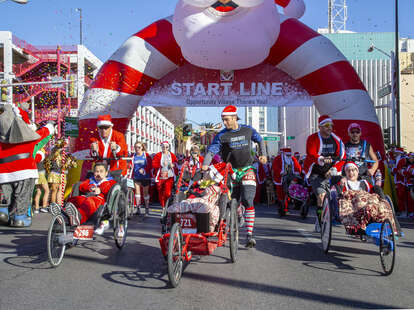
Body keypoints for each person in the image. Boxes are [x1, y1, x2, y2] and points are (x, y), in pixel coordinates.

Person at [201, 105, 267, 248]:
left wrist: (263, 154)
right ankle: (236, 213)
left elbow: (260, 139)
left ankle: (249, 235)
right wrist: (205, 165)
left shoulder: (248, 130)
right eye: (223, 120)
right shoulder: (222, 135)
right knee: (231, 201)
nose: (224, 123)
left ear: (235, 118)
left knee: (249, 199)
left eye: (226, 120)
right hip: (230, 171)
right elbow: (211, 151)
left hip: (247, 169)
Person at [0, 103, 55, 227]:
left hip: (3, 172)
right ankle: (19, 217)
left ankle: (3, 210)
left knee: (5, 192)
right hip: (24, 171)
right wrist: (50, 126)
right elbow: (43, 134)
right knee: (22, 195)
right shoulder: (28, 138)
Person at [303, 115, 346, 229]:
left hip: (332, 172)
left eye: (331, 125)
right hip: (316, 172)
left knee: (341, 192)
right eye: (326, 125)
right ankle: (319, 219)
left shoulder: (337, 139)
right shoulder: (312, 138)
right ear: (320, 126)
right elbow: (311, 153)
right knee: (321, 196)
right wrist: (321, 159)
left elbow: (342, 156)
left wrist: (333, 169)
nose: (329, 128)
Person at [336, 162, 400, 235]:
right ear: (345, 173)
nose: (351, 172)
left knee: (383, 205)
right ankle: (361, 226)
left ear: (357, 171)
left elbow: (373, 193)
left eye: (353, 170)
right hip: (356, 205)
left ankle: (389, 227)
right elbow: (342, 195)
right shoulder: (345, 183)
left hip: (369, 200)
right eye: (348, 170)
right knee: (365, 205)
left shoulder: (365, 182)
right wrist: (341, 183)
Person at [56, 162, 118, 235]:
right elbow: (82, 185)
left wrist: (100, 189)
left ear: (106, 173)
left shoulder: (110, 181)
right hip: (86, 197)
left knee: (89, 202)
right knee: (75, 199)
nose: (98, 174)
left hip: (98, 200)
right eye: (96, 171)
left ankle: (78, 218)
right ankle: (64, 214)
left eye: (101, 171)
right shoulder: (90, 180)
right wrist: (90, 187)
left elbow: (109, 188)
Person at [272, 148, 302, 215]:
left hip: (290, 178)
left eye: (289, 155)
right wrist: (281, 172)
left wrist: (297, 173)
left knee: (288, 193)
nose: (289, 156)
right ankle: (281, 208)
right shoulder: (278, 158)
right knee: (281, 194)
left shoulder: (292, 159)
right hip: (280, 178)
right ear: (284, 154)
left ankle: (285, 208)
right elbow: (275, 167)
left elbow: (298, 167)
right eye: (287, 155)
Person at [152, 141, 178, 208]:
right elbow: (154, 164)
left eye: (166, 147)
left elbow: (176, 163)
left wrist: (173, 165)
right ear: (161, 147)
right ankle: (163, 206)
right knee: (160, 192)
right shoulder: (158, 155)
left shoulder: (172, 155)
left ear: (168, 147)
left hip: (169, 176)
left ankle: (167, 205)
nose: (165, 148)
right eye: (163, 147)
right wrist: (161, 165)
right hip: (160, 177)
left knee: (167, 192)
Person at [132, 141, 152, 216]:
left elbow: (150, 165)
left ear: (142, 147)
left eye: (139, 147)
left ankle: (147, 208)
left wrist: (144, 170)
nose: (137, 149)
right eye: (135, 147)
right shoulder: (133, 156)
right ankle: (138, 208)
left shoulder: (146, 155)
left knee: (145, 193)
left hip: (145, 177)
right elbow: (130, 164)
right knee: (137, 192)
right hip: (136, 176)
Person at [395, 152, 414, 217]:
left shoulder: (407, 163)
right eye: (412, 157)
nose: (412, 159)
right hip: (404, 183)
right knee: (405, 198)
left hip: (408, 183)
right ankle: (406, 212)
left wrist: (404, 172)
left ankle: (409, 212)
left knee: (408, 199)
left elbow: (408, 172)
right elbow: (401, 171)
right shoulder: (405, 162)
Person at [33, 148, 50, 214]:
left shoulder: (34, 153)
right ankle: (44, 207)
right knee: (47, 190)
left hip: (36, 173)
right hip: (41, 174)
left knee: (38, 191)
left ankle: (36, 208)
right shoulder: (40, 153)